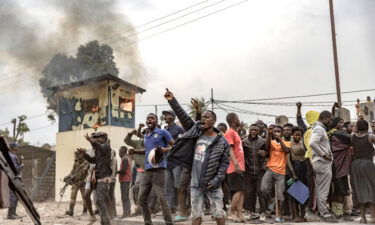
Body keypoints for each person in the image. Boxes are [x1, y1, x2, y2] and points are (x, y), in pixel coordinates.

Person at [164, 89, 229, 225]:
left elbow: (224, 164)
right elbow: (183, 117)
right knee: (196, 214)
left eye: (207, 117)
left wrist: (217, 180)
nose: (204, 119)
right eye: (203, 117)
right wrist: (172, 100)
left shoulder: (222, 142)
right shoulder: (196, 133)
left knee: (218, 213)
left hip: (213, 184)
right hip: (195, 184)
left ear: (214, 121)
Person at [129, 113, 174, 225]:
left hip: (159, 170)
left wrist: (164, 150)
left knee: (162, 199)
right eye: (148, 118)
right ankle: (148, 222)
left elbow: (175, 145)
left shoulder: (162, 132)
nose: (149, 119)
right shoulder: (146, 135)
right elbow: (147, 151)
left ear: (156, 121)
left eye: (152, 118)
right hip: (147, 171)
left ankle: (169, 223)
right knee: (142, 199)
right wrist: (134, 151)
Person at [77, 132, 113, 225]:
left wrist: (92, 141)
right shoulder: (99, 150)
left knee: (99, 200)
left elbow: (99, 147)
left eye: (98, 137)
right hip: (98, 177)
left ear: (104, 138)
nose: (95, 139)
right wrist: (84, 154)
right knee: (100, 200)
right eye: (94, 138)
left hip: (103, 177)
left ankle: (106, 221)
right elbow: (93, 160)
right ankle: (105, 219)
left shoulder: (106, 147)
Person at [309, 110, 337, 223]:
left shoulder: (318, 128)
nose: (331, 121)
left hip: (321, 163)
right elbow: (312, 143)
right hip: (322, 163)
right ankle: (325, 214)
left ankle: (323, 213)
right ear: (324, 118)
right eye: (330, 119)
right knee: (323, 190)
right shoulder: (319, 129)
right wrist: (324, 155)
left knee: (322, 189)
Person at [296, 102, 320, 222]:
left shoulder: (308, 130)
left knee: (312, 186)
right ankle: (310, 210)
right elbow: (299, 121)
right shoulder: (312, 131)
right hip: (311, 160)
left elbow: (299, 120)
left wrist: (298, 108)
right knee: (313, 186)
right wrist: (298, 108)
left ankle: (310, 209)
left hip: (307, 160)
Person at [261, 125, 290, 223]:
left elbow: (286, 150)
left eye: (278, 131)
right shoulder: (271, 142)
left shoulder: (287, 142)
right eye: (275, 131)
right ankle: (270, 200)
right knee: (264, 189)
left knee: (280, 195)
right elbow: (267, 147)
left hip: (281, 172)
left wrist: (280, 140)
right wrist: (269, 135)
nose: (276, 132)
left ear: (281, 133)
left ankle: (279, 216)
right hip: (270, 169)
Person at [328, 117, 352, 220]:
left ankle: (338, 211)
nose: (342, 124)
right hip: (337, 168)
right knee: (340, 191)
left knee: (341, 190)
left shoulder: (338, 134)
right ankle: (337, 212)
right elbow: (351, 140)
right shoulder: (336, 136)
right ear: (334, 124)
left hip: (342, 168)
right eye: (340, 122)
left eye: (343, 122)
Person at [351, 119, 375, 223]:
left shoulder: (352, 137)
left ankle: (363, 218)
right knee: (371, 189)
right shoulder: (371, 137)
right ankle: (373, 217)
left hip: (356, 165)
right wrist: (372, 153)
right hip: (368, 164)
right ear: (366, 127)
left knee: (358, 190)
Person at [162, 110, 185, 217]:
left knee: (178, 186)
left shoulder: (179, 129)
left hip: (176, 161)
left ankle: (182, 207)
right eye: (165, 115)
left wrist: (167, 149)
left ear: (173, 117)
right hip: (166, 162)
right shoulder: (164, 130)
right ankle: (171, 208)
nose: (165, 116)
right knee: (168, 186)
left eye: (167, 114)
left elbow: (180, 144)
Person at [242, 124, 267, 221]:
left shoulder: (263, 141)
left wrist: (265, 153)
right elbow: (241, 155)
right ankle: (249, 211)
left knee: (260, 192)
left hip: (260, 170)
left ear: (258, 132)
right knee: (249, 192)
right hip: (248, 171)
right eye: (251, 130)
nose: (253, 131)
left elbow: (268, 152)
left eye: (255, 130)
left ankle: (262, 212)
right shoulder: (244, 142)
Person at [224, 113, 245, 223]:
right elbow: (230, 149)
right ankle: (231, 212)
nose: (239, 119)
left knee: (241, 191)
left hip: (240, 166)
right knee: (238, 190)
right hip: (234, 167)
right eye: (237, 118)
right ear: (233, 121)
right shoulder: (229, 132)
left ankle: (240, 214)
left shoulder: (235, 132)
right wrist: (236, 164)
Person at [287, 126, 308, 222]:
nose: (298, 137)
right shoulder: (289, 144)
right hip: (295, 167)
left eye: (300, 135)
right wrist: (293, 173)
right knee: (294, 193)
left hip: (304, 168)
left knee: (304, 192)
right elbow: (288, 160)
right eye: (296, 135)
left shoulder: (303, 143)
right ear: (292, 135)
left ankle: (303, 214)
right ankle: (295, 215)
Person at [64, 151, 89, 217]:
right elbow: (72, 171)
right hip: (75, 182)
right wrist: (68, 177)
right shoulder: (76, 163)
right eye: (77, 154)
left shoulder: (86, 163)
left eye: (79, 154)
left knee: (85, 198)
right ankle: (71, 211)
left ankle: (85, 211)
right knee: (72, 197)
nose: (78, 155)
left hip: (83, 183)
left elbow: (88, 174)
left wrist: (83, 181)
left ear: (82, 155)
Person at [7, 142, 24, 219]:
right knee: (14, 196)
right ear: (13, 148)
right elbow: (14, 169)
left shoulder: (9, 155)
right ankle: (11, 214)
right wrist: (21, 166)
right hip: (13, 178)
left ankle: (13, 213)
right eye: (17, 146)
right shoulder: (12, 156)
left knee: (14, 196)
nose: (18, 148)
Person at [117, 146, 132, 218]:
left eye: (120, 151)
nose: (119, 152)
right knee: (125, 197)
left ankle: (125, 213)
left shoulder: (125, 159)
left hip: (125, 180)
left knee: (124, 197)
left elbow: (123, 171)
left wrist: (115, 172)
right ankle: (127, 212)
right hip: (125, 180)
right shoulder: (125, 158)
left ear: (123, 151)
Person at [109, 149, 117, 218]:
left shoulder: (111, 160)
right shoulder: (115, 160)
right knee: (112, 196)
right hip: (113, 179)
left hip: (110, 180)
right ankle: (113, 213)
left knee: (109, 196)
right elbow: (116, 171)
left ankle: (112, 213)